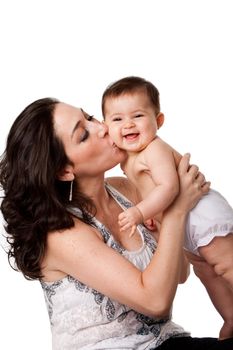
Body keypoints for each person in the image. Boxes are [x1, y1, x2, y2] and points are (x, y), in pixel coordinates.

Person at [0, 97, 232, 350]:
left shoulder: (125, 190)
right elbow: (156, 301)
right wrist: (177, 210)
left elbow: (178, 275)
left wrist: (173, 192)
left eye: (89, 117)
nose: (101, 127)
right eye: (83, 135)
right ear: (64, 171)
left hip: (166, 341)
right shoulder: (60, 232)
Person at [102, 76, 233, 340]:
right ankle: (230, 317)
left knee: (226, 265)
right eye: (117, 119)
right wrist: (152, 213)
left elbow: (170, 188)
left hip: (200, 214)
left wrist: (140, 212)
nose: (127, 124)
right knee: (206, 273)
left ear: (158, 121)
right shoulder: (127, 159)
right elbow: (151, 191)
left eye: (137, 116)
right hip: (184, 225)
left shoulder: (154, 149)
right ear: (106, 127)